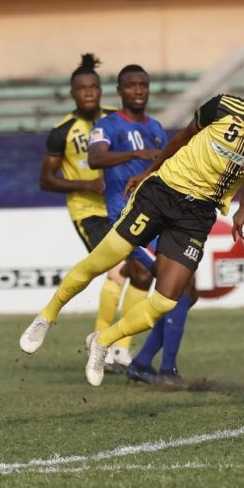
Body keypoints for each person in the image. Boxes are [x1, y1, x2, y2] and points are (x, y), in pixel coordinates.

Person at [31, 82, 244, 386]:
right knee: (101, 262)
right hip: (163, 192)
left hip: (196, 216)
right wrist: (148, 172)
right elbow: (183, 137)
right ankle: (47, 315)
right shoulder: (222, 107)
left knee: (166, 300)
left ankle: (104, 340)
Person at [89, 65, 195, 385]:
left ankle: (144, 360)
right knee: (180, 288)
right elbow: (95, 159)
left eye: (144, 85)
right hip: (127, 220)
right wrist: (135, 153)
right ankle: (162, 367)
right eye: (132, 85)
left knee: (187, 289)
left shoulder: (157, 128)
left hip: (159, 216)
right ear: (120, 91)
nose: (139, 90)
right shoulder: (106, 125)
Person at [28, 54, 121, 355]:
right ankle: (107, 343)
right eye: (83, 88)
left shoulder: (115, 120)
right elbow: (47, 180)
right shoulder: (63, 131)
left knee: (136, 272)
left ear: (100, 89)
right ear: (73, 93)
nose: (89, 92)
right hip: (88, 212)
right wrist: (88, 185)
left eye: (93, 87)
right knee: (119, 269)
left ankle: (109, 344)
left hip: (122, 207)